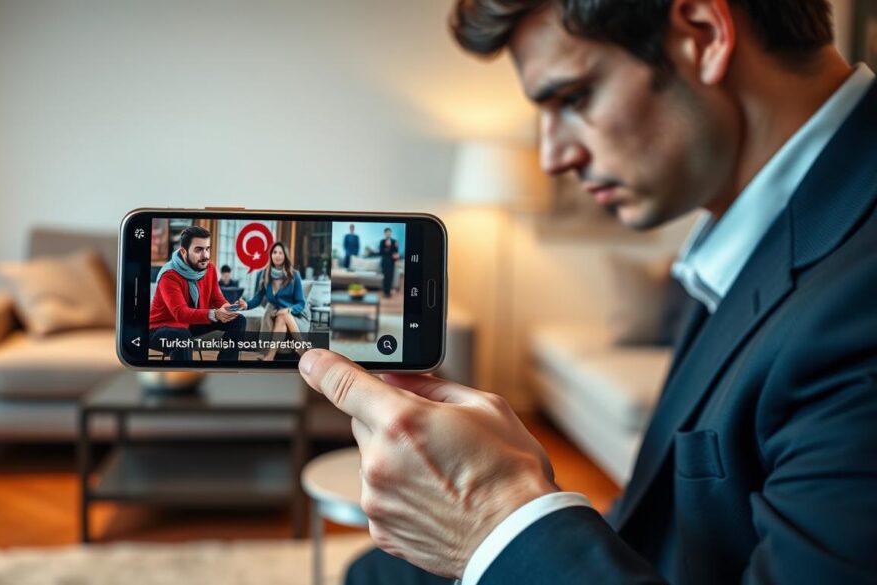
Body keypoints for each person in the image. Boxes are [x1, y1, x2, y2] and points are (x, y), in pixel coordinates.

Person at [297, 0, 877, 583]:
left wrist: (496, 521)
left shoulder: (858, 302)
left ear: (703, 36)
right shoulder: (762, 233)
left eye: (572, 98)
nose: (553, 158)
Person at [149, 225, 248, 361]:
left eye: (207, 249)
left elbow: (216, 298)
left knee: (238, 320)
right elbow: (181, 314)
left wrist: (230, 308)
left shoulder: (209, 269)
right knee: (181, 336)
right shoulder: (169, 275)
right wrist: (214, 314)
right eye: (199, 250)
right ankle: (183, 379)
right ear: (184, 252)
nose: (205, 255)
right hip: (160, 328)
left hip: (191, 323)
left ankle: (224, 367)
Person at [244, 241, 311, 361]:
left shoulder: (294, 275)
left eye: (280, 253)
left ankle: (278, 354)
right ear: (271, 255)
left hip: (297, 314)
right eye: (275, 252)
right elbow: (258, 298)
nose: (277, 255)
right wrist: (246, 305)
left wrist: (289, 309)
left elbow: (301, 303)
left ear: (285, 256)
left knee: (284, 315)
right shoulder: (264, 274)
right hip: (278, 313)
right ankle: (296, 351)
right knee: (281, 317)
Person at [377, 227, 399, 297]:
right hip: (385, 262)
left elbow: (396, 252)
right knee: (385, 277)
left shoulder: (394, 241)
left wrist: (391, 251)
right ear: (385, 233)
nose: (388, 233)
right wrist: (388, 249)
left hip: (391, 262)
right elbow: (381, 252)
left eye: (389, 232)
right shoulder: (382, 242)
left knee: (390, 277)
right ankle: (385, 292)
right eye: (387, 232)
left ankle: (388, 292)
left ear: (391, 233)